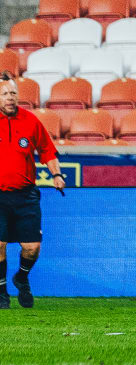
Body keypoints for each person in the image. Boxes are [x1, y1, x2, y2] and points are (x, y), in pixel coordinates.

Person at [0, 73, 65, 309]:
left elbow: (47, 150)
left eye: (13, 93)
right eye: (5, 94)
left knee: (32, 248)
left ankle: (22, 277)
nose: (10, 98)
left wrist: (56, 174)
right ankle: (1, 293)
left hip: (26, 194)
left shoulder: (30, 120)